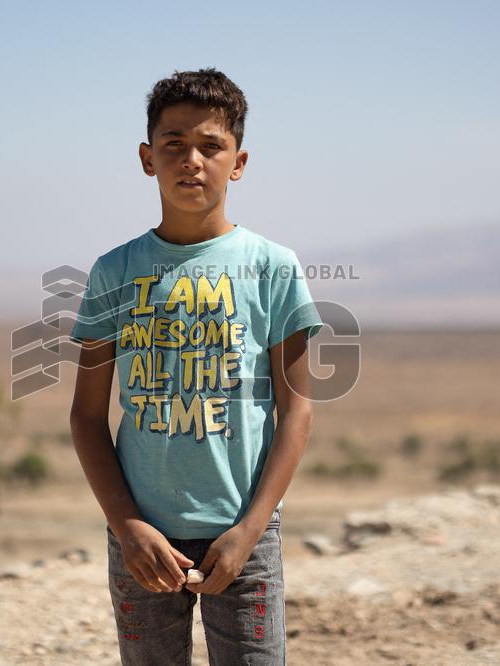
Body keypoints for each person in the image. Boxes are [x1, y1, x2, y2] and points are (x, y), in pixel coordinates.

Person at [68, 67, 325, 665]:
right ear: (146, 158)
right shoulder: (113, 271)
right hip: (143, 538)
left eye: (211, 146)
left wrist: (250, 530)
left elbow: (298, 411)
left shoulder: (272, 266)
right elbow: (85, 415)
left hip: (243, 535)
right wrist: (127, 526)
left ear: (237, 162)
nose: (192, 161)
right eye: (174, 144)